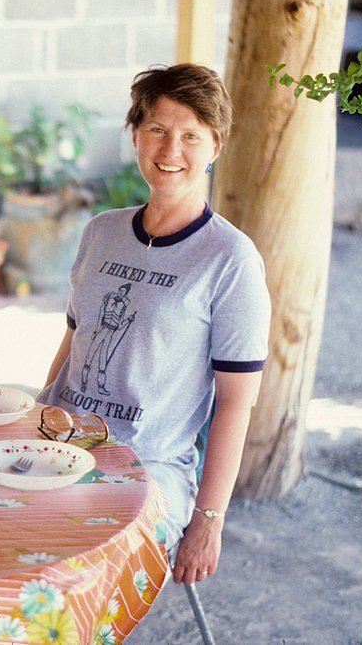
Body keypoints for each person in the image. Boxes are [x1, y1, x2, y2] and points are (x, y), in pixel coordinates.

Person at [38, 63, 271, 587]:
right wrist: (35, 417)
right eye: (158, 130)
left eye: (190, 136)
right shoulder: (101, 232)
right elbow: (74, 340)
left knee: (65, 575)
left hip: (147, 470)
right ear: (136, 135)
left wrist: (209, 521)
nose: (170, 150)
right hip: (58, 444)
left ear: (215, 147)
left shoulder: (230, 259)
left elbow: (237, 400)